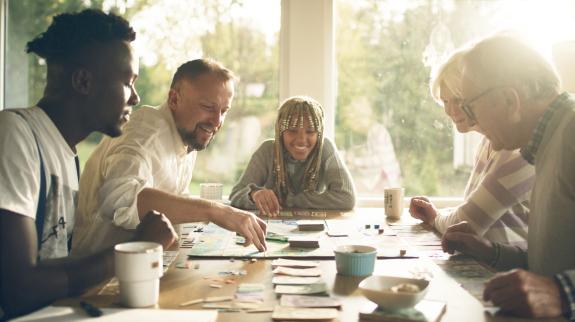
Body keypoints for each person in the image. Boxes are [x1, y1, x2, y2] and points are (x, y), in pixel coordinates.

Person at [0, 10, 177, 320]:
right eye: (127, 82)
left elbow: (52, 267)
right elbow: (17, 290)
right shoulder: (15, 136)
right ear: (83, 81)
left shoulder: (66, 154)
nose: (135, 98)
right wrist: (135, 247)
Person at [72, 59, 267, 256]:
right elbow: (120, 200)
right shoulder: (146, 131)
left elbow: (174, 204)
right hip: (100, 275)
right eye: (208, 107)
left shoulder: (186, 134)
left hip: (145, 263)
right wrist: (215, 211)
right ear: (174, 99)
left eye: (224, 111)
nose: (217, 121)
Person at [443, 33, 575, 319]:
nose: (472, 121)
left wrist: (562, 293)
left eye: (469, 107)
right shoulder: (545, 143)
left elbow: (554, 284)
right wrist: (492, 252)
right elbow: (554, 263)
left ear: (509, 100)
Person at [409, 49, 533, 265]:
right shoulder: (487, 142)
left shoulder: (513, 149)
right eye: (445, 102)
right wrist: (438, 216)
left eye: (458, 99)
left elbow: (465, 223)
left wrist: (434, 217)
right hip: (488, 264)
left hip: (511, 272)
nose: (451, 111)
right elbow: (470, 211)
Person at [229, 96, 356, 216]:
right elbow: (235, 194)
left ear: (319, 133)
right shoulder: (267, 151)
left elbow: (346, 198)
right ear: (280, 131)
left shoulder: (325, 148)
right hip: (270, 226)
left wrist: (291, 200)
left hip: (311, 227)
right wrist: (254, 194)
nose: (301, 140)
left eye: (310, 131)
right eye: (292, 131)